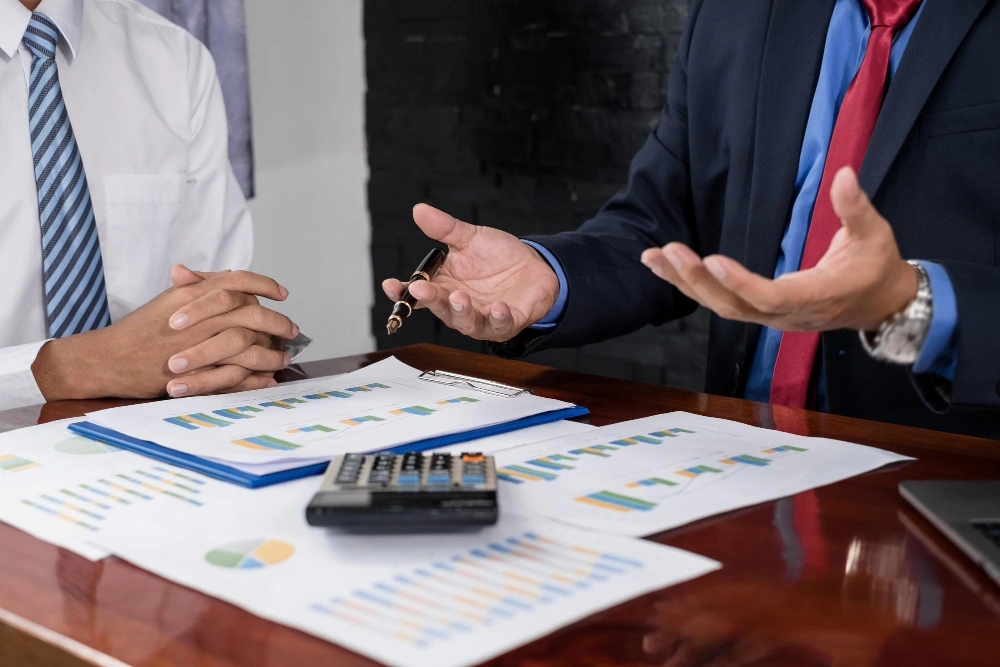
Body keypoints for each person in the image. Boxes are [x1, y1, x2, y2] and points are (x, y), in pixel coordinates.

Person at [383, 0, 1000, 437]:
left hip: (945, 480)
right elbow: (665, 224)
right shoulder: (733, 13)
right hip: (740, 463)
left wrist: (908, 303)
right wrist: (552, 276)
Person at [0, 0, 298, 411]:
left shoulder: (174, 57)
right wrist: (70, 369)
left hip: (155, 433)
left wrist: (237, 339)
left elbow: (216, 310)